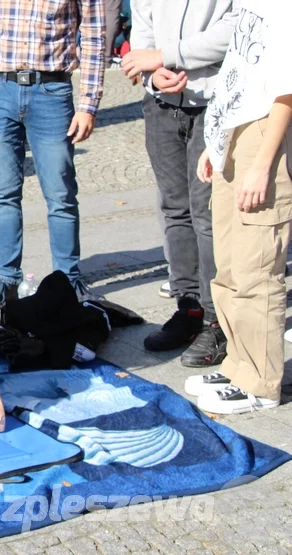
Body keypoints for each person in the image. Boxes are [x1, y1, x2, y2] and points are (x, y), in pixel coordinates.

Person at [0, 0, 106, 314]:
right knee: (3, 194)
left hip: (51, 92)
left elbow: (94, 38)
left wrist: (88, 104)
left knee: (61, 194)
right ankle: (7, 281)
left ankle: (68, 280)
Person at [185, 1, 292, 414]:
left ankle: (261, 383)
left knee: (256, 268)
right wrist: (218, 142)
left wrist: (262, 163)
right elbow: (240, 76)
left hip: (267, 136)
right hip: (237, 131)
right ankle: (239, 365)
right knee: (227, 267)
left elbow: (286, 91)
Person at [122, 1, 238, 367]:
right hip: (161, 105)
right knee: (175, 210)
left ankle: (216, 319)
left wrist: (165, 55)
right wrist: (152, 76)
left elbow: (234, 30)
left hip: (215, 103)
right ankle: (187, 309)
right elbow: (140, 40)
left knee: (208, 215)